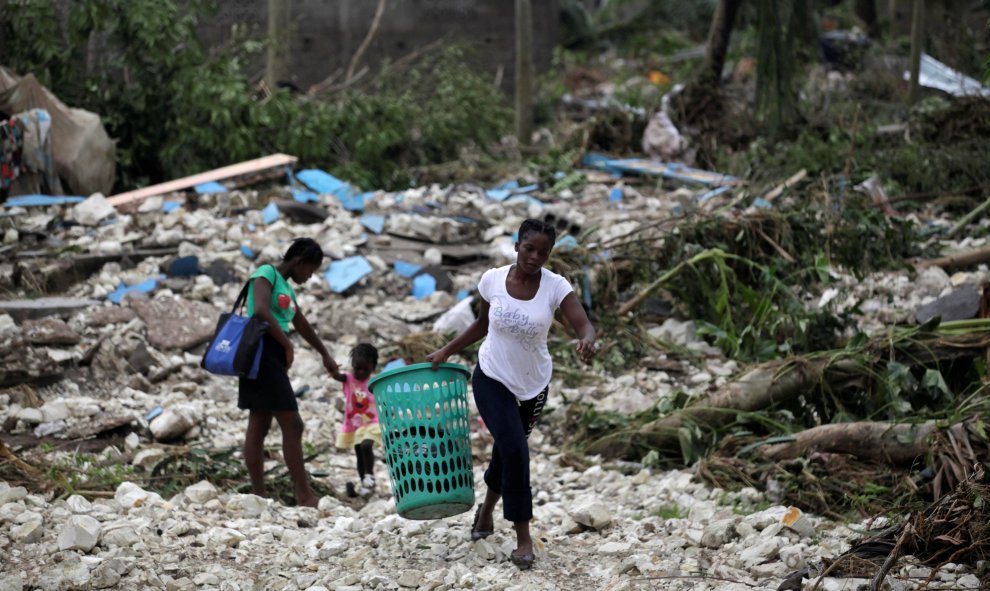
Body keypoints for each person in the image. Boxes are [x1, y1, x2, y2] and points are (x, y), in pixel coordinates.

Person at [426, 218, 597, 570]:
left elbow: (582, 322)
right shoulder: (492, 280)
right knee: (516, 450)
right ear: (517, 244)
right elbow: (481, 325)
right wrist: (446, 350)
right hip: (492, 375)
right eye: (529, 248)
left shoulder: (556, 286)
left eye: (544, 252)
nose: (535, 257)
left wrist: (588, 339)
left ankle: (486, 511)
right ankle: (523, 537)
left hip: (534, 385)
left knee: (508, 451)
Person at [239, 237, 339, 508]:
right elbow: (260, 310)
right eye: (311, 269)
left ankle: (259, 496)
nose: (310, 276)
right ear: (299, 261)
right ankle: (304, 495)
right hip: (262, 349)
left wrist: (324, 353)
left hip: (271, 353)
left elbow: (300, 322)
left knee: (259, 421)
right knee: (293, 424)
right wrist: (286, 344)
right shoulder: (266, 274)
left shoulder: (285, 288)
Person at [331, 343, 382, 498]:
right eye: (356, 368)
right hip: (354, 424)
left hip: (372, 423)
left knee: (367, 446)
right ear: (352, 366)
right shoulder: (348, 378)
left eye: (364, 369)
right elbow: (337, 376)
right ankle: (364, 483)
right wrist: (332, 368)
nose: (360, 372)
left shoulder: (374, 382)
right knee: (359, 453)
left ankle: (370, 476)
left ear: (372, 368)